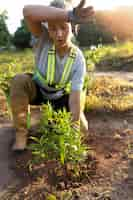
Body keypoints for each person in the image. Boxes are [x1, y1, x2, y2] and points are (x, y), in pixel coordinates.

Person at [10, 0, 94, 151]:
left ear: (74, 27)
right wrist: (69, 15)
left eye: (64, 27)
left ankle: (54, 122)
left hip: (60, 98)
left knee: (82, 129)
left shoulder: (78, 58)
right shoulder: (42, 38)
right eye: (53, 28)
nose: (59, 34)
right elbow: (27, 11)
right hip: (39, 92)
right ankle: (21, 133)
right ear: (47, 29)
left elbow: (74, 99)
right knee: (19, 80)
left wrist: (74, 130)